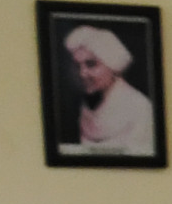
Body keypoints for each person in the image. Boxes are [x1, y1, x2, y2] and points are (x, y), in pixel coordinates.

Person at [57, 22, 155, 158]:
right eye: (78, 66)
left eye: (91, 64)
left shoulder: (140, 107)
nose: (82, 73)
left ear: (113, 65)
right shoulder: (85, 106)